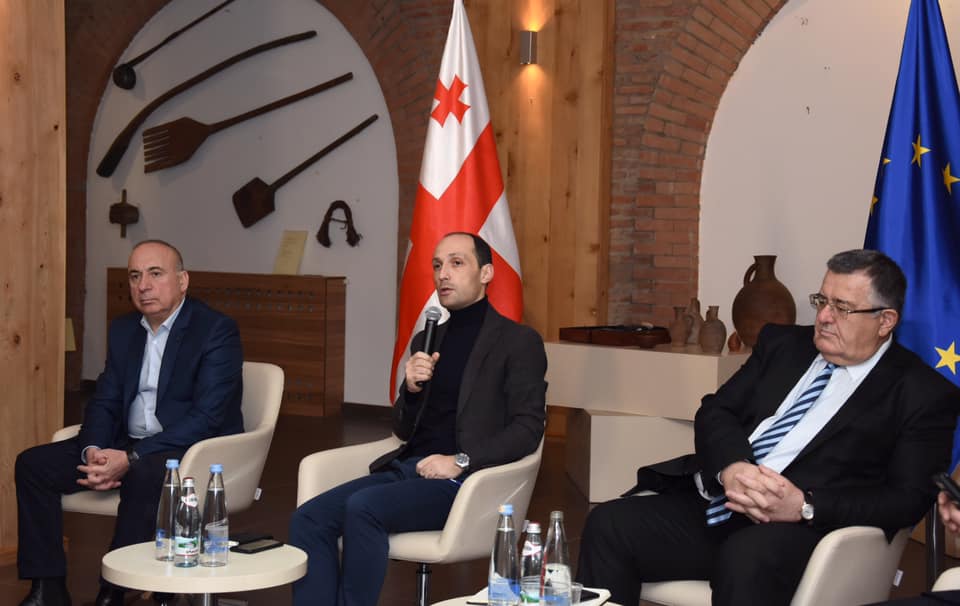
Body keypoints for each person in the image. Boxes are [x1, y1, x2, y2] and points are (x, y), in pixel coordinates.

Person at [577, 249, 960, 606]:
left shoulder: (921, 393)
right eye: (822, 301)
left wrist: (805, 506)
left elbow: (907, 499)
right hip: (721, 502)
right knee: (609, 524)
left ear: (885, 321)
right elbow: (717, 410)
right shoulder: (785, 345)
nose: (824, 317)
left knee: (746, 557)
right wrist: (732, 466)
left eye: (842, 308)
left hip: (806, 531)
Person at [289, 232, 547, 606]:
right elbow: (403, 429)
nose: (443, 274)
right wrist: (410, 389)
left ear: (486, 273)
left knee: (363, 508)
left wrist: (460, 461)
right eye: (438, 265)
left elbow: (527, 429)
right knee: (308, 519)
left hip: (465, 482)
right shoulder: (427, 339)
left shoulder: (517, 342)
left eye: (457, 263)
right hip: (409, 469)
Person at [16, 240, 244, 606]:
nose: (144, 285)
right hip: (128, 442)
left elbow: (207, 417)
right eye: (135, 276)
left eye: (156, 274)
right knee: (33, 465)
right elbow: (105, 401)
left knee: (145, 472)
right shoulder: (125, 329)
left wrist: (131, 457)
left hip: (188, 448)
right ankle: (48, 588)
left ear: (182, 280)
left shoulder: (215, 329)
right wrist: (94, 452)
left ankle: (114, 590)